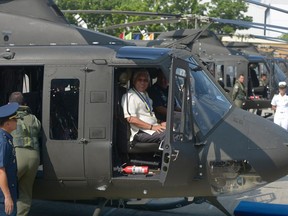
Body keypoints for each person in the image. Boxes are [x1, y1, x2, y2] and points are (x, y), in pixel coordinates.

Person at [9, 92, 41, 216]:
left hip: (17, 156)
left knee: (4, 188)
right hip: (33, 157)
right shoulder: (33, 118)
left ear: (9, 104)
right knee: (25, 193)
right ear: (25, 104)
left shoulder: (8, 116)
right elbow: (38, 131)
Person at [121, 69, 166, 145]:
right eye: (140, 80)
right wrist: (152, 127)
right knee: (168, 135)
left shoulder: (146, 95)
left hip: (152, 128)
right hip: (141, 132)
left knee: (175, 131)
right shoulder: (130, 96)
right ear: (134, 81)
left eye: (145, 80)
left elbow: (148, 116)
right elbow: (131, 119)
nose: (142, 83)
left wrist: (160, 122)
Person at [0, 102, 19, 216]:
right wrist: (7, 197)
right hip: (3, 198)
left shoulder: (6, 139)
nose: (17, 121)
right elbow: (0, 170)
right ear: (7, 123)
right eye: (14, 119)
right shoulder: (3, 142)